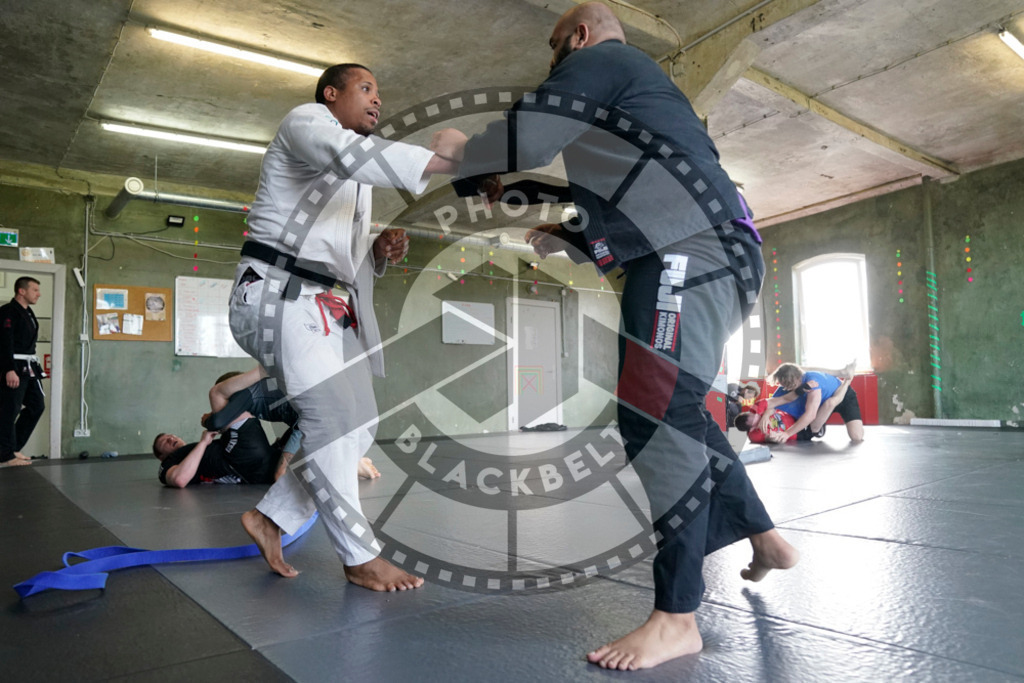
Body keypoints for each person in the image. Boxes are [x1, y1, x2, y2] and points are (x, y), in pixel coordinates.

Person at [434, 3, 798, 670]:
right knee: (677, 408)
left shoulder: (605, 60)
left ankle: (678, 615)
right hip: (706, 247)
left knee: (653, 414)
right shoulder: (637, 115)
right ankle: (764, 535)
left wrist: (467, 150)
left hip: (689, 249)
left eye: (554, 50)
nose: (553, 64)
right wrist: (539, 211)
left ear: (576, 36)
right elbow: (600, 190)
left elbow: (531, 135)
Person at [228, 63, 460, 590]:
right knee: (331, 417)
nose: (377, 100)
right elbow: (349, 156)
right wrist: (447, 159)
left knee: (359, 426)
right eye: (365, 89)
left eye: (380, 92)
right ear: (331, 95)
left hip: (321, 301)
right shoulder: (306, 123)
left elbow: (338, 256)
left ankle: (270, 519)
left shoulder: (357, 182)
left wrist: (375, 251)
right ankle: (359, 557)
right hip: (274, 291)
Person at [204, 367, 380, 481]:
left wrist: (207, 420)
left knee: (281, 476)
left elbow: (218, 420)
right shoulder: (254, 395)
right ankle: (349, 462)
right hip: (315, 416)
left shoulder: (243, 395)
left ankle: (348, 467)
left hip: (309, 420)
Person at [153, 412, 281, 488]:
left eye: (171, 436)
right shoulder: (169, 461)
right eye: (164, 442)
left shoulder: (192, 451)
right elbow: (179, 479)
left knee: (296, 430)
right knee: (219, 395)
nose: (170, 439)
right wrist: (205, 438)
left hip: (258, 464)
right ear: (161, 457)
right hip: (238, 460)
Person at [0, 276, 44, 467]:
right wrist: (9, 369)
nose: (38, 294)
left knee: (37, 405)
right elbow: (4, 342)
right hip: (14, 366)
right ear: (22, 291)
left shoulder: (29, 313)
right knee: (10, 410)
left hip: (29, 367)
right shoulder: (8, 312)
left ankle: (13, 447)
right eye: (35, 290)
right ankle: (5, 454)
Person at [759, 362, 863, 442]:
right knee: (814, 428)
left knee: (857, 437)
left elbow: (810, 415)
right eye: (785, 385)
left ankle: (847, 381)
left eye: (791, 385)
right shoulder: (787, 386)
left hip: (841, 394)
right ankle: (841, 373)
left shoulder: (813, 383)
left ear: (799, 378)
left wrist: (787, 434)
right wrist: (766, 415)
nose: (788, 388)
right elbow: (773, 403)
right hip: (821, 402)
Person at [736, 375, 853, 443]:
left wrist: (765, 415)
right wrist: (773, 437)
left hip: (797, 416)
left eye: (756, 416)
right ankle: (847, 383)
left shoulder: (756, 408)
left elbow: (775, 403)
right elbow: (770, 439)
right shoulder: (754, 436)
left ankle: (840, 383)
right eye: (756, 422)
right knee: (830, 403)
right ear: (751, 429)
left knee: (813, 400)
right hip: (802, 432)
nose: (758, 418)